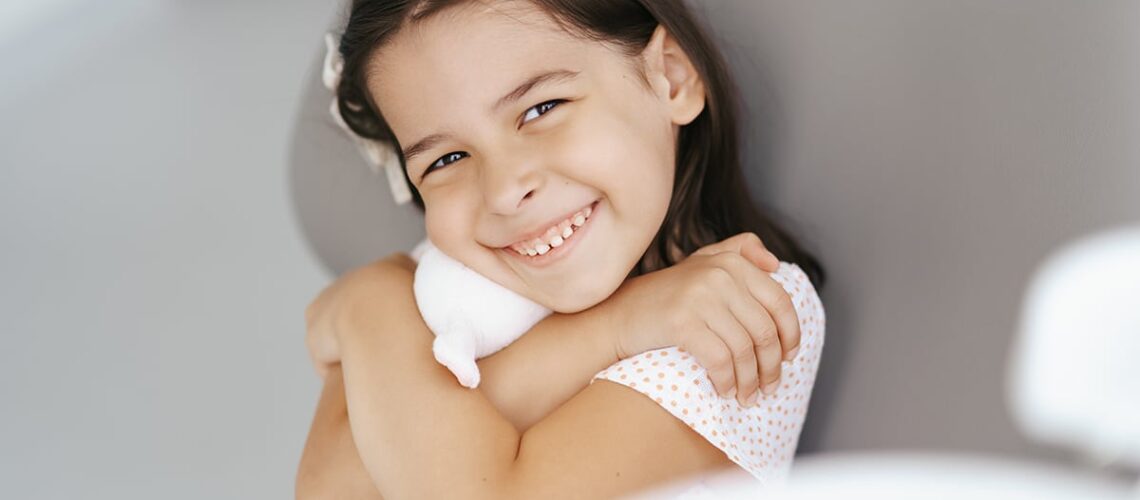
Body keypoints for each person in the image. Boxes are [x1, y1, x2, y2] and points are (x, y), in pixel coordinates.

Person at [296, 0, 828, 497]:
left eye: (541, 107)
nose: (505, 191)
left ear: (671, 75)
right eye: (446, 160)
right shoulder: (445, 287)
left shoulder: (743, 314)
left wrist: (364, 306)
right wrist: (618, 324)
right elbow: (332, 488)